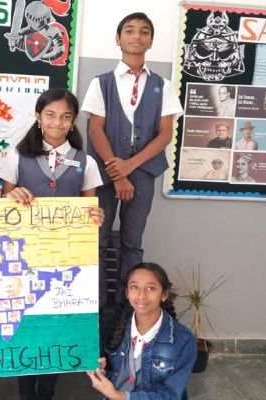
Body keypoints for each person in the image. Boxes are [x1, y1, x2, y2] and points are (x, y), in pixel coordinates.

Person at [0, 87, 104, 400]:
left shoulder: (86, 162)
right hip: (23, 260)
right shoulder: (17, 155)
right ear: (38, 116)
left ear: (73, 121)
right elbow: (2, 206)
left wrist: (96, 216)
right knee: (25, 325)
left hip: (64, 260)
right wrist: (10, 196)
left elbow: (90, 211)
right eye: (50, 115)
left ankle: (46, 391)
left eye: (65, 116)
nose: (57, 122)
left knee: (54, 326)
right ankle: (25, 393)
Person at [81, 12, 183, 302]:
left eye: (144, 32)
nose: (136, 36)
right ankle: (96, 306)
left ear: (151, 41)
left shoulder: (163, 86)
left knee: (133, 242)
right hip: (104, 173)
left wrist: (130, 167)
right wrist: (118, 173)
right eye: (129, 30)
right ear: (118, 38)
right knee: (97, 241)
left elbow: (165, 135)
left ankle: (127, 309)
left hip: (143, 173)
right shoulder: (101, 83)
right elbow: (95, 131)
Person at [87, 262, 197, 400]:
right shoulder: (111, 326)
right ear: (127, 293)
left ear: (164, 295)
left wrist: (118, 396)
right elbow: (111, 374)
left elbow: (171, 395)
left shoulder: (184, 340)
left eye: (151, 288)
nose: (141, 296)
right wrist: (101, 371)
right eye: (134, 287)